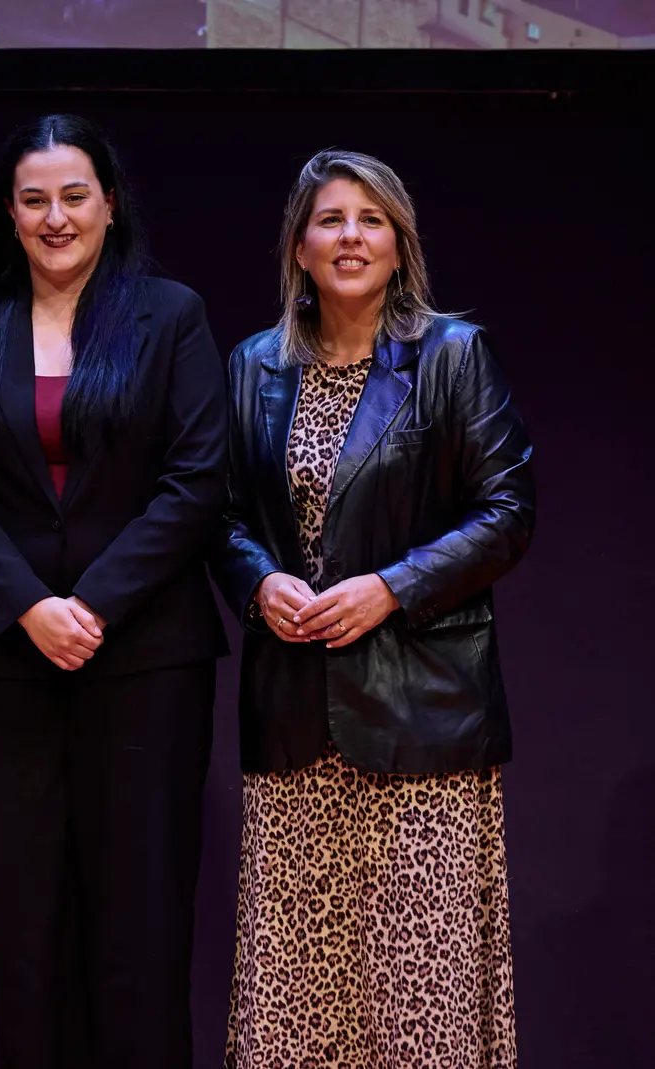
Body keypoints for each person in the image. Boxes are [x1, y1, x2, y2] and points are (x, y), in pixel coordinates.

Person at [0, 114, 228, 1068]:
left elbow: (196, 479)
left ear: (109, 204)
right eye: (35, 199)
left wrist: (90, 604)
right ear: (10, 215)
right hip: (2, 662)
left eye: (74, 195)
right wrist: (30, 608)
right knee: (27, 924)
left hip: (144, 659)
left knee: (141, 922)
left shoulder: (170, 313)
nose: (56, 217)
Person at [215, 149, 533, 1068]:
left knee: (417, 995)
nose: (350, 236)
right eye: (330, 219)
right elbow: (222, 517)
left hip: (424, 717)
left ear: (399, 245)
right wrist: (256, 580)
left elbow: (510, 511)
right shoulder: (252, 366)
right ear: (299, 247)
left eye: (371, 219)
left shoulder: (452, 354)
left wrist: (392, 586)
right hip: (293, 716)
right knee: (297, 994)